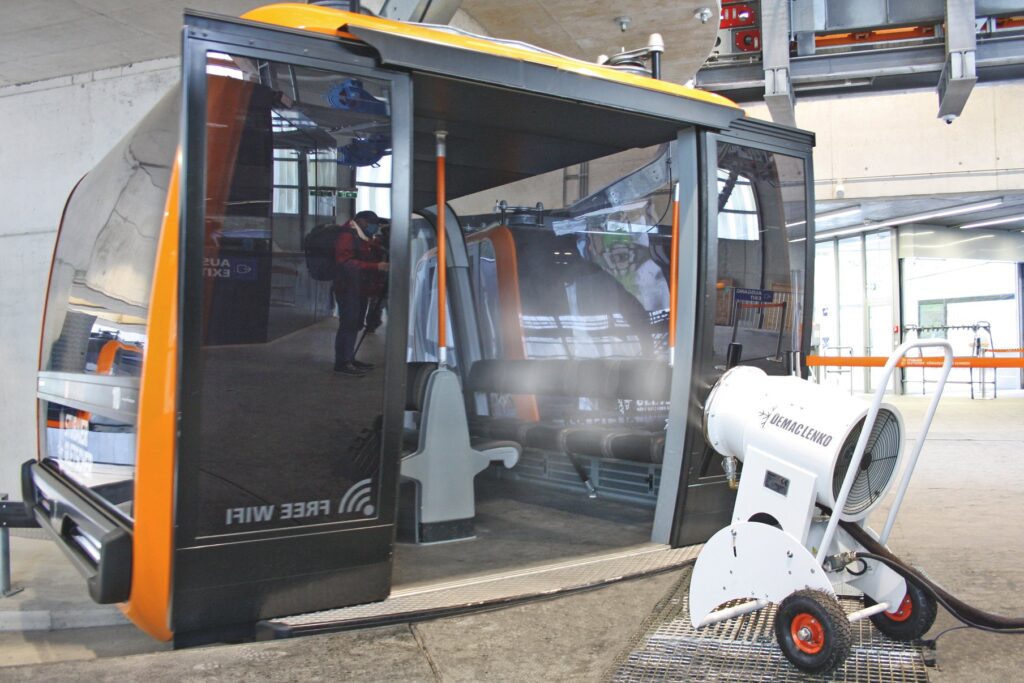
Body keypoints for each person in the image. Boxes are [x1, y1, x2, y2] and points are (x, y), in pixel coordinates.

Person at [333, 210, 389, 375]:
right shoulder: (347, 236)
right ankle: (342, 362)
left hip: (359, 288)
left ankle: (349, 358)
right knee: (348, 324)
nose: (375, 228)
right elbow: (345, 263)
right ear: (363, 222)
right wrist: (375, 267)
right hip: (347, 288)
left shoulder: (362, 237)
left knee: (355, 323)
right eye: (373, 224)